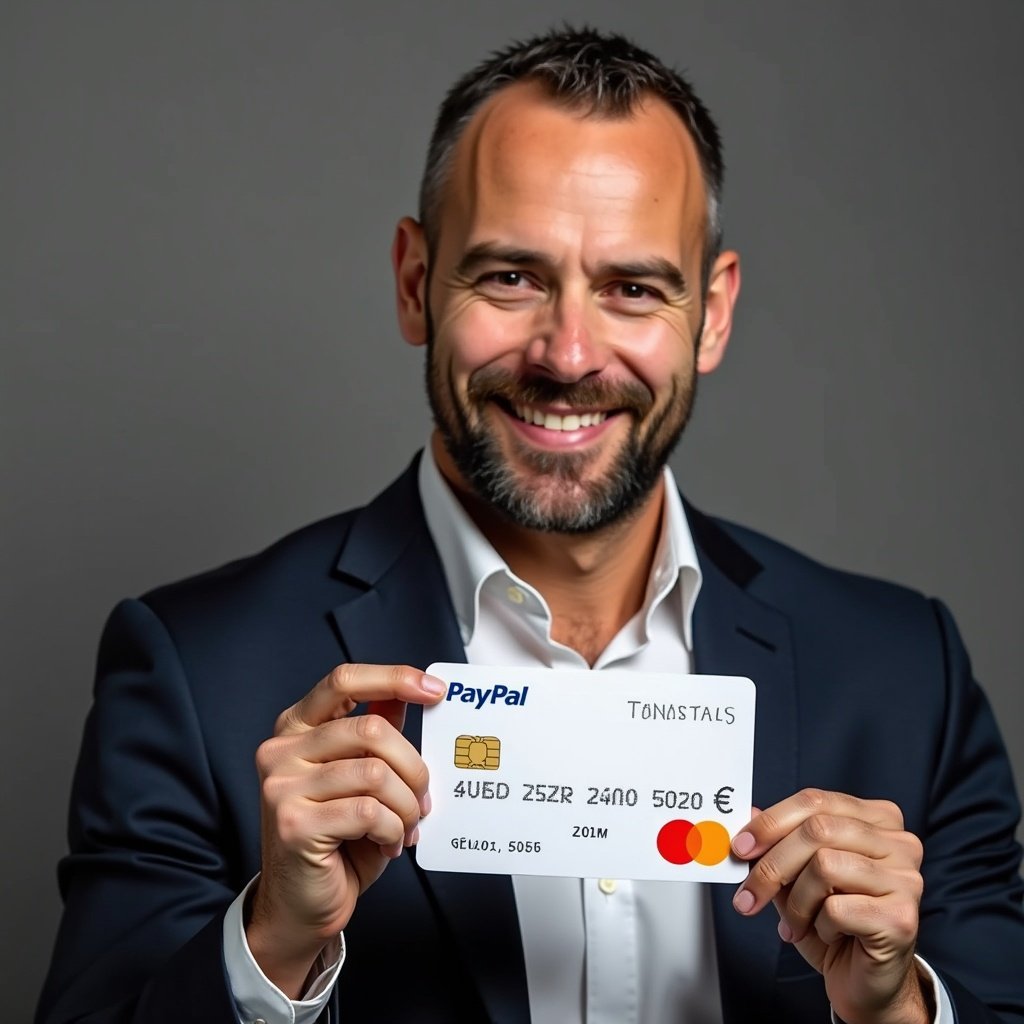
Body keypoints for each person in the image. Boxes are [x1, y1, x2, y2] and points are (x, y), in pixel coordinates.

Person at [36, 26, 1023, 1024]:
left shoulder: (906, 675)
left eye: (632, 288)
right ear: (416, 281)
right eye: (511, 277)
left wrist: (898, 1008)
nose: (568, 353)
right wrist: (272, 944)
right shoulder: (196, 671)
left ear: (712, 314)